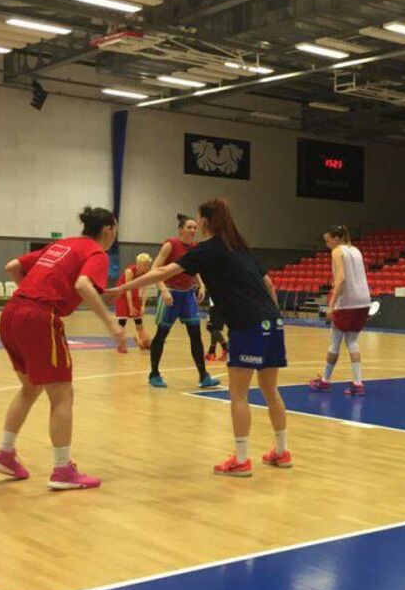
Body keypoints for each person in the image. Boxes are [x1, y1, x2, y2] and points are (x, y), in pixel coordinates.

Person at [112, 198, 291, 474]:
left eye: (198, 219)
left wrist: (123, 288)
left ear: (206, 221)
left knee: (239, 394)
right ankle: (281, 452)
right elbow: (268, 284)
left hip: (248, 324)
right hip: (273, 322)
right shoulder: (241, 248)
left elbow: (163, 271)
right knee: (271, 390)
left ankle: (241, 459)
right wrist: (273, 317)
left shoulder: (207, 250)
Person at [0, 207, 124, 490]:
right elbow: (83, 284)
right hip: (39, 317)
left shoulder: (62, 244)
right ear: (108, 229)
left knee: (30, 388)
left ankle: (5, 453)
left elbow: (12, 266)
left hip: (11, 312)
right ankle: (63, 470)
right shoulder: (96, 253)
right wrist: (111, 323)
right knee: (63, 394)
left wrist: (33, 295)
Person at [148, 214, 219, 390]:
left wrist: (201, 284)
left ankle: (203, 376)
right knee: (162, 334)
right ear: (181, 230)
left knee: (195, 335)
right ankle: (154, 374)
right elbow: (154, 268)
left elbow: (194, 268)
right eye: (189, 227)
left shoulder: (195, 247)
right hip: (170, 293)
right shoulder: (170, 245)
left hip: (187, 295)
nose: (193, 230)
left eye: (195, 227)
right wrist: (163, 289)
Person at [310, 224, 372, 396]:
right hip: (364, 300)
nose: (327, 245)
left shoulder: (337, 251)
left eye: (328, 241)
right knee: (352, 341)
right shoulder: (356, 250)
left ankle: (325, 381)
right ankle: (358, 383)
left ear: (336, 239)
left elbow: (342, 278)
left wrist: (331, 304)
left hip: (347, 302)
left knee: (335, 342)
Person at [114, 252, 153, 352]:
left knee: (138, 321)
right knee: (122, 321)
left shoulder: (146, 273)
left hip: (134, 293)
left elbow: (145, 290)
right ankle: (121, 345)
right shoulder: (129, 271)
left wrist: (143, 306)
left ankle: (141, 341)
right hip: (123, 293)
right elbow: (127, 289)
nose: (147, 267)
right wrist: (130, 307)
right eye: (145, 265)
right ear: (138, 264)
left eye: (148, 265)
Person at [205, 298, 228, 362]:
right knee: (213, 327)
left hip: (217, 307)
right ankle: (211, 352)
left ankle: (225, 347)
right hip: (216, 306)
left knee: (211, 327)